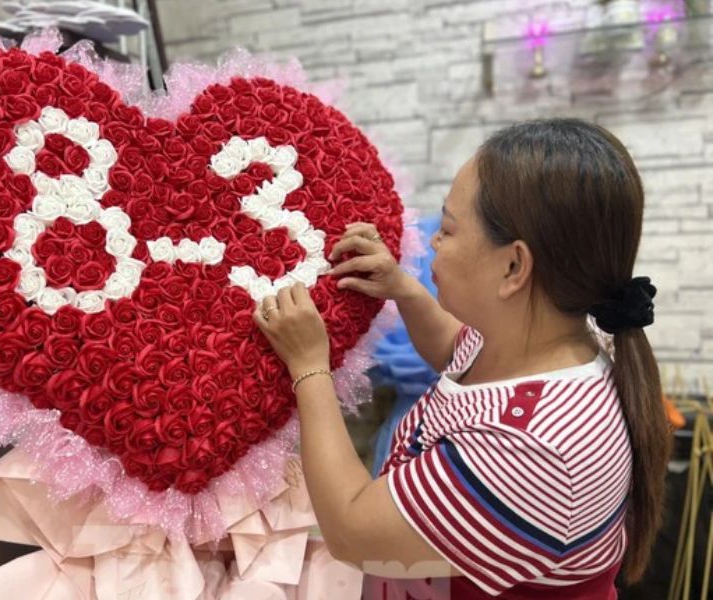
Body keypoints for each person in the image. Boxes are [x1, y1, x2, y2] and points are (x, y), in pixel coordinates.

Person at [253, 118, 671, 599]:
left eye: (448, 229)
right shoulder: (539, 340)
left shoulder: (534, 447)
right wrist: (403, 289)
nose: (434, 242)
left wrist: (309, 365)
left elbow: (351, 529)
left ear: (513, 266)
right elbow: (455, 350)